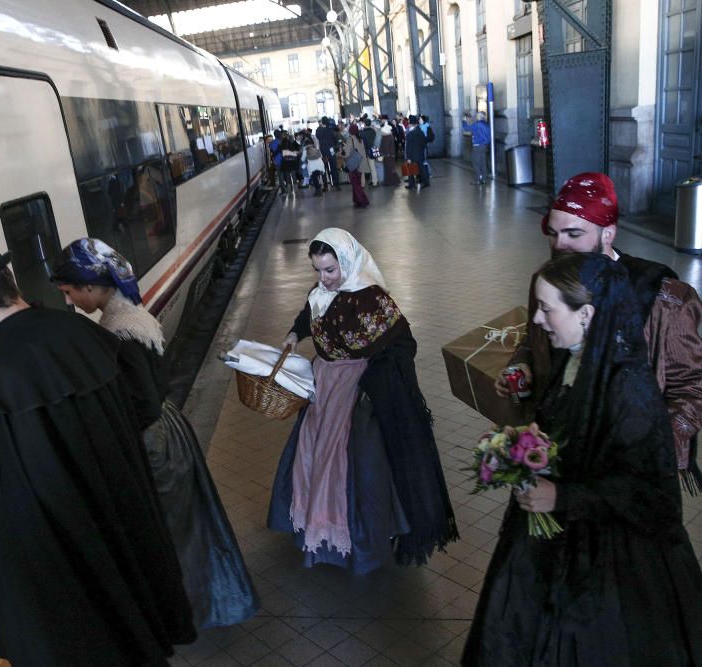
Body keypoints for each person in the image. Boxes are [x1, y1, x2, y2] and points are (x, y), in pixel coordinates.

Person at [0, 238, 195, 665]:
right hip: (126, 522)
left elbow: (19, 513)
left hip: (79, 559)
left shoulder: (4, 377)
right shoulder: (81, 330)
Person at [463, 252, 702, 665]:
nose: (536, 319)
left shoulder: (629, 389)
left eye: (547, 309)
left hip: (613, 563)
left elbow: (655, 498)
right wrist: (526, 443)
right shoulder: (573, 360)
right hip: (556, 540)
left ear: (587, 314)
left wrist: (562, 497)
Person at [51, 238, 259, 629]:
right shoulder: (131, 313)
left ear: (91, 286)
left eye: (69, 292)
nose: (69, 300)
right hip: (168, 429)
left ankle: (190, 609)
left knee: (171, 533)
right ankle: (202, 602)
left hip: (154, 443)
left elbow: (141, 404)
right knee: (188, 525)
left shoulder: (118, 332)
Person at [268, 229, 458, 572]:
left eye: (330, 270)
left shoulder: (371, 299)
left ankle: (354, 536)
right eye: (318, 270)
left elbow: (404, 343)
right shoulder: (322, 292)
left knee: (341, 461)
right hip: (324, 383)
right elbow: (309, 313)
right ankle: (320, 528)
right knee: (313, 451)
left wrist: (373, 377)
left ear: (348, 262)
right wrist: (295, 334)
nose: (323, 279)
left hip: (356, 387)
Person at [499, 172, 702, 493]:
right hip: (556, 454)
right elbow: (533, 336)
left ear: (608, 233)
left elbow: (692, 389)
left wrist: (652, 447)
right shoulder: (547, 280)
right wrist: (522, 364)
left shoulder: (663, 299)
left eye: (573, 233)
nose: (559, 245)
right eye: (552, 233)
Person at [341, 122, 371, 208]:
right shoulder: (360, 139)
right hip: (360, 163)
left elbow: (347, 153)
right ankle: (356, 200)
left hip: (353, 164)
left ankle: (363, 200)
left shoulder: (350, 139)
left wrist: (342, 152)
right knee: (356, 183)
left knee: (355, 184)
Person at [462, 111, 491, 184]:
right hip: (484, 146)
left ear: (480, 117)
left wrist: (464, 120)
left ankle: (478, 179)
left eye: (477, 115)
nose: (476, 116)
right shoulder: (486, 124)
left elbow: (466, 128)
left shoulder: (477, 124)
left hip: (477, 146)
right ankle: (484, 179)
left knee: (476, 162)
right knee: (483, 163)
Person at [403, 115, 430, 191]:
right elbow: (424, 143)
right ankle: (426, 182)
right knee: (422, 169)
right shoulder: (420, 131)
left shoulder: (409, 134)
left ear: (410, 124)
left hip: (412, 155)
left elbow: (408, 147)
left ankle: (411, 184)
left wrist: (408, 157)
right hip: (420, 154)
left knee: (411, 170)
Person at [316, 116, 339, 191]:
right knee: (334, 167)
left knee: (324, 168)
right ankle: (336, 184)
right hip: (331, 150)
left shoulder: (318, 130)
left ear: (322, 122)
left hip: (323, 151)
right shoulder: (331, 130)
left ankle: (325, 186)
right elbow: (335, 139)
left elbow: (318, 138)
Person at [379, 122, 401, 186]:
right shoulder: (388, 137)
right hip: (389, 155)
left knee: (390, 169)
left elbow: (384, 146)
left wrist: (382, 153)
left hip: (388, 156)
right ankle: (389, 182)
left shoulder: (386, 137)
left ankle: (394, 181)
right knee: (389, 169)